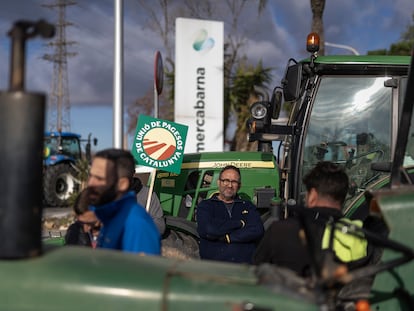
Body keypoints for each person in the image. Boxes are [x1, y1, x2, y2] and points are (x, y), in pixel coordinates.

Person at [253, 161, 371, 278]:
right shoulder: (357, 234)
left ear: (313, 195)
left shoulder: (281, 230)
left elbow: (256, 273)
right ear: (343, 197)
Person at [86, 148, 161, 255]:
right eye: (91, 176)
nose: (91, 183)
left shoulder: (136, 226)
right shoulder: (107, 215)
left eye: (99, 178)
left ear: (122, 184)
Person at [196, 165, 264, 264]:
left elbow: (257, 230)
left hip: (244, 267)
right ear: (219, 182)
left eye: (234, 182)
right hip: (214, 268)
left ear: (239, 186)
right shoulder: (206, 206)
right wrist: (239, 224)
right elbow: (208, 230)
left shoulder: (247, 206)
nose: (230, 185)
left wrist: (228, 238)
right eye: (226, 180)